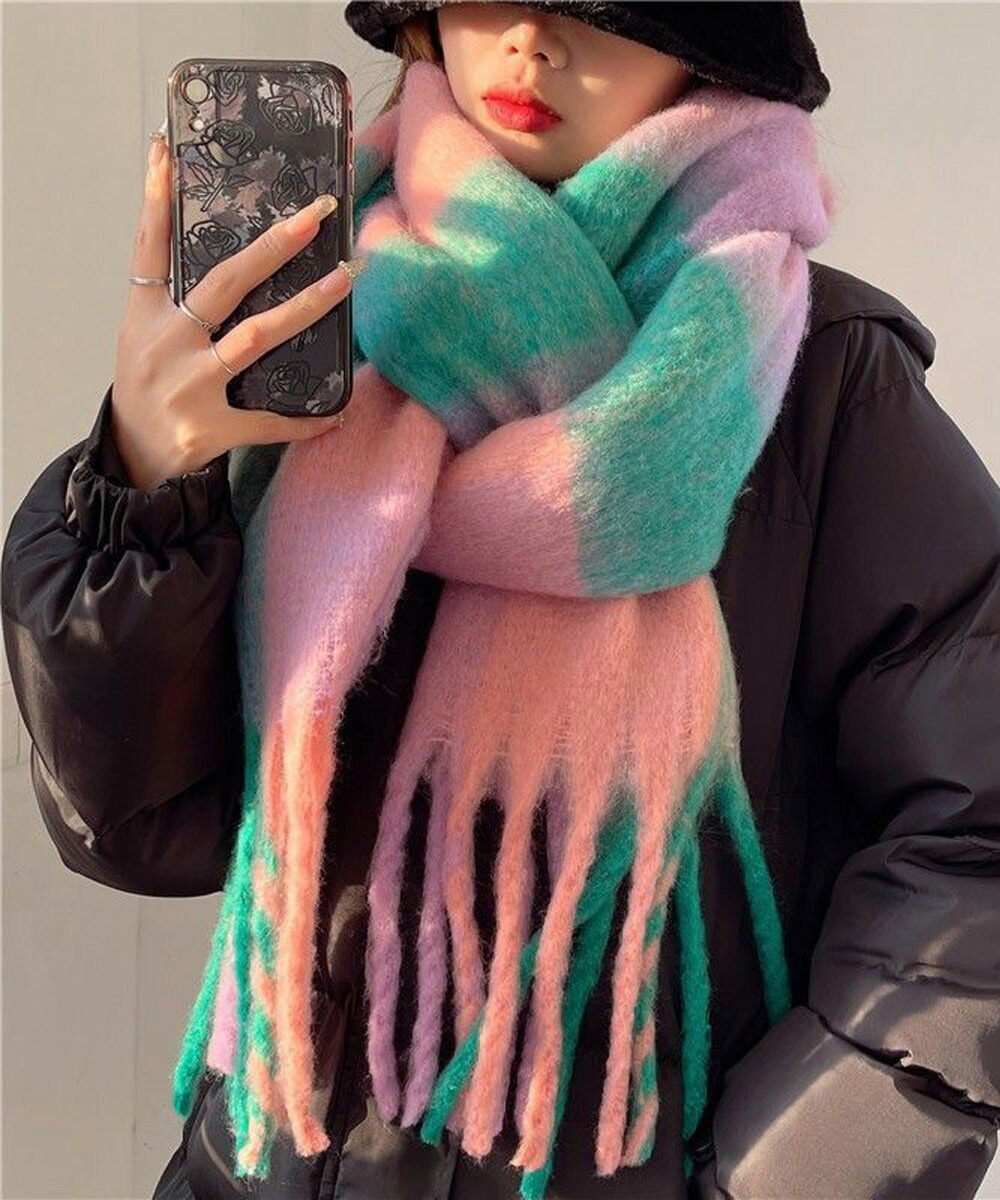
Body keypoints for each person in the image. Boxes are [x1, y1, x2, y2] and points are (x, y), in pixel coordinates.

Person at [3, 3, 999, 1198]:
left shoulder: (817, 376)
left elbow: (975, 845)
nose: (530, 37)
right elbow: (140, 823)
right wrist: (140, 486)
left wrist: (774, 1182)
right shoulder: (307, 330)